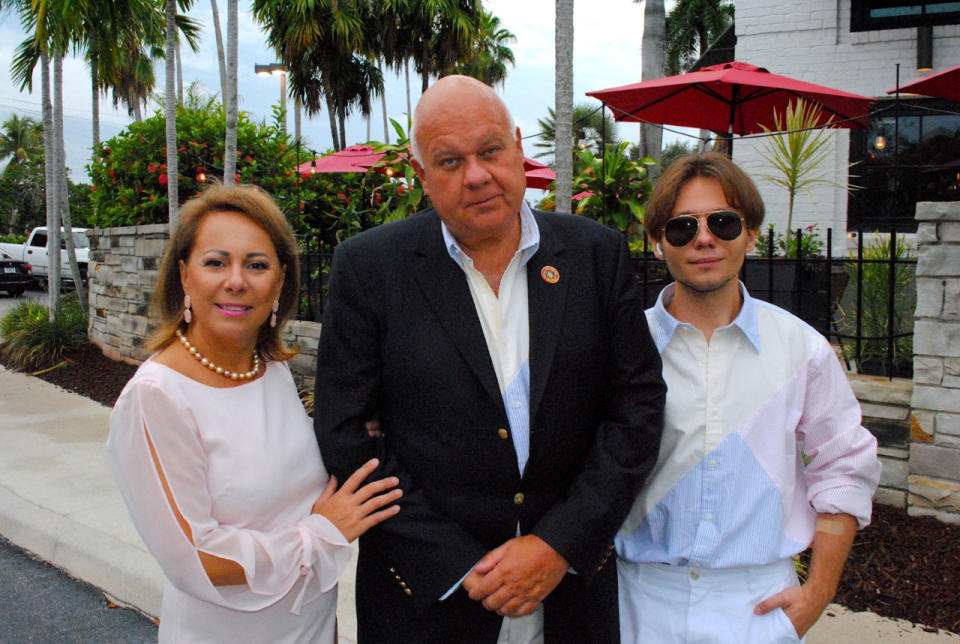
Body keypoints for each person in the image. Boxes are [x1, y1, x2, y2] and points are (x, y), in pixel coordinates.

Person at [313, 75, 666, 643]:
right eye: (449, 161)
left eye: (490, 150)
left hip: (571, 594)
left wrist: (559, 545)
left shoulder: (594, 255)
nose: (476, 175)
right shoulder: (370, 269)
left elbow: (637, 407)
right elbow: (344, 430)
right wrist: (461, 566)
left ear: (520, 146)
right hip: (429, 600)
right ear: (422, 175)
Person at [107, 184, 402, 643]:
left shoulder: (270, 370)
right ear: (185, 276)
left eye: (257, 265)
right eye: (216, 262)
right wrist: (321, 534)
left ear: (280, 281)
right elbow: (196, 560)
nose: (237, 280)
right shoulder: (157, 397)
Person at [616, 152, 882, 643]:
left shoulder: (801, 348)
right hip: (637, 602)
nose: (704, 238)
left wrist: (818, 592)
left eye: (723, 221)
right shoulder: (622, 347)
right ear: (655, 242)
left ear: (751, 232)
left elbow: (844, 465)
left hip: (760, 606)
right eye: (680, 227)